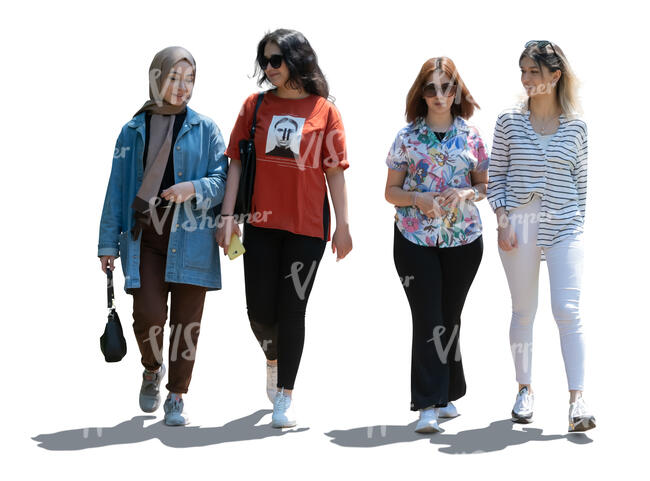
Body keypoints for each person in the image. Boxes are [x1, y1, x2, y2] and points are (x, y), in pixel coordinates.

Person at [216, 29, 352, 429]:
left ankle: (285, 396)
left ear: (297, 59)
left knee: (293, 309)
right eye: (265, 61)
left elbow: (335, 173)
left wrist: (343, 225)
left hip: (308, 227)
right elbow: (236, 163)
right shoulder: (254, 106)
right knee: (258, 310)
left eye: (276, 60)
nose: (269, 68)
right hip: (259, 223)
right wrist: (227, 216)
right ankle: (271, 359)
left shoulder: (325, 111)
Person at [98, 46, 228, 426]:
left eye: (189, 80)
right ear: (157, 78)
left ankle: (177, 395)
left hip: (192, 237)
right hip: (145, 239)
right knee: (148, 317)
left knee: (187, 323)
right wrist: (108, 242)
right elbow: (117, 189)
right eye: (174, 78)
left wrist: (193, 188)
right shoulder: (133, 130)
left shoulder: (207, 129)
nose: (182, 87)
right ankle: (152, 369)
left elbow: (222, 183)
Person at [488, 40, 595, 432]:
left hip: (565, 225)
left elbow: (581, 185)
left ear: (555, 75)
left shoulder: (578, 126)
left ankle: (578, 400)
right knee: (524, 311)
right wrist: (502, 218)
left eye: (534, 71)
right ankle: (524, 389)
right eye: (523, 71)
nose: (526, 78)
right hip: (519, 223)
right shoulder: (507, 122)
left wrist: (576, 225)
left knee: (568, 311)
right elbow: (495, 177)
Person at [384, 57, 488, 433]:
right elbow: (390, 191)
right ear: (421, 93)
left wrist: (465, 192)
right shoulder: (406, 137)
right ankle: (427, 403)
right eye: (432, 88)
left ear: (457, 90)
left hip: (464, 241)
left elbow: (484, 186)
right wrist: (418, 199)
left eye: (447, 87)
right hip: (414, 239)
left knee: (450, 317)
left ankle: (448, 393)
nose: (440, 95)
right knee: (428, 318)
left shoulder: (473, 136)